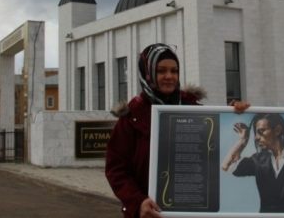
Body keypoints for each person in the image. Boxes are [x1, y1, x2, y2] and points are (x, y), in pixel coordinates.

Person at [105, 43, 250, 218]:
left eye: (174, 71)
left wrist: (237, 115)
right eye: (161, 71)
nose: (169, 76)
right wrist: (138, 202)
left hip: (192, 210)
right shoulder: (132, 116)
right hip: (150, 214)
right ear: (148, 73)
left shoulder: (192, 108)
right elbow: (116, 169)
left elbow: (216, 146)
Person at [221, 113, 284, 213]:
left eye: (261, 131)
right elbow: (226, 165)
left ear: (277, 130)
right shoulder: (259, 160)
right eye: (256, 133)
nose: (256, 137)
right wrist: (243, 140)